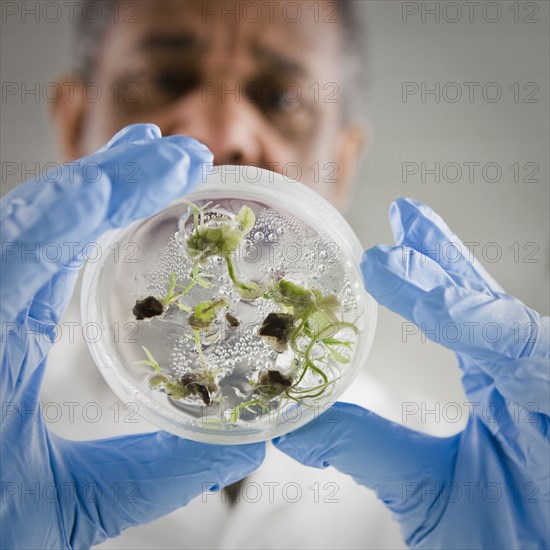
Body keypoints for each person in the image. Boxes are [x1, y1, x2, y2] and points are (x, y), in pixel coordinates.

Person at [1, 1, 548, 549]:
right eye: (164, 78)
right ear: (74, 126)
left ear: (341, 159)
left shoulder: (463, 480)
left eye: (282, 97)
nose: (222, 134)